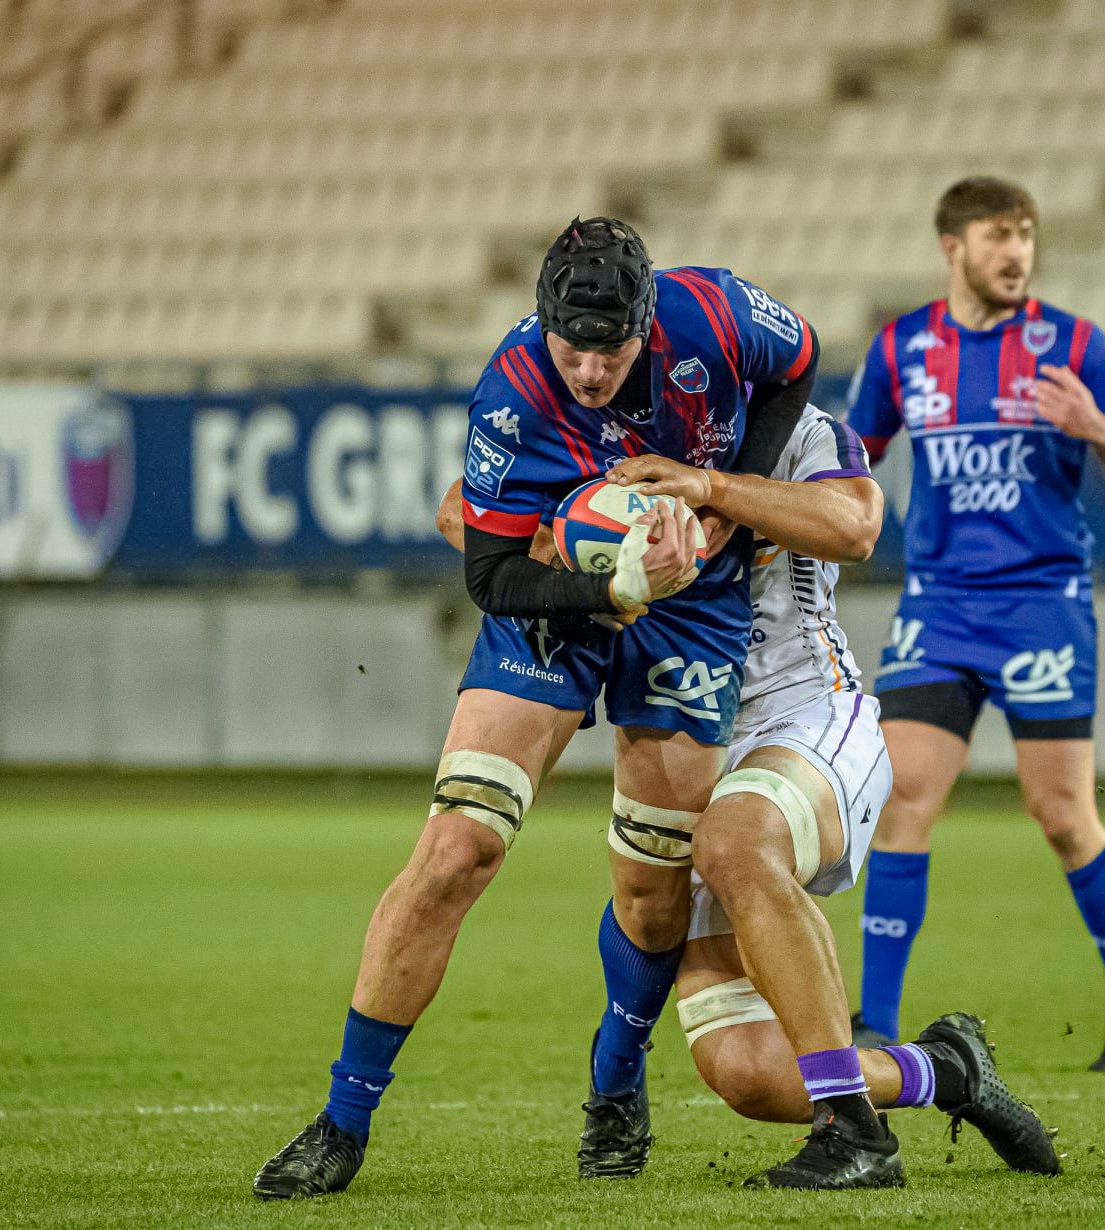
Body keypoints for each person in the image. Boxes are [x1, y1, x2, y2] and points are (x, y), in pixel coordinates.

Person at [252, 217, 819, 1200]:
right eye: (572, 348)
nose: (590, 371)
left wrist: (734, 497)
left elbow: (800, 360)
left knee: (654, 891)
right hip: (559, 590)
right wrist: (614, 589)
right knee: (455, 850)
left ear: (647, 324)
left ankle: (617, 1076)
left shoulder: (717, 312)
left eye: (611, 351)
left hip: (693, 608)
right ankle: (342, 1121)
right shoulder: (512, 391)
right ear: (543, 322)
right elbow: (489, 574)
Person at [604, 420, 1060, 1189]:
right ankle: (945, 1069)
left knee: (735, 842)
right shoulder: (601, 431)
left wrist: (713, 488)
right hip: (687, 748)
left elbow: (855, 525)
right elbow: (469, 509)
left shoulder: (798, 429)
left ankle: (854, 1137)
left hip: (807, 716)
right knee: (751, 1074)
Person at [845, 177, 1105, 1071]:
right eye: (997, 235)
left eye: (1025, 234)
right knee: (903, 799)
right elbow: (849, 457)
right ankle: (874, 1025)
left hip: (1042, 607)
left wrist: (1095, 425)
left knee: (1062, 813)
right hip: (939, 606)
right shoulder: (903, 347)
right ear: (951, 245)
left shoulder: (1075, 345)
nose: (1016, 251)